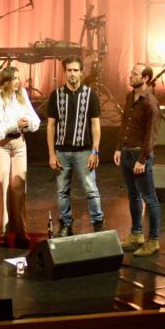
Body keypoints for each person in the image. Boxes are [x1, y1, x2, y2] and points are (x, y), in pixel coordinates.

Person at [47, 56, 104, 236]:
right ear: (65, 72)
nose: (72, 73)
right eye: (69, 70)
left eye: (75, 70)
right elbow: (51, 126)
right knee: (62, 191)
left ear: (81, 72)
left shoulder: (90, 95)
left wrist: (95, 151)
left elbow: (95, 125)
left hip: (84, 151)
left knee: (91, 189)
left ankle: (98, 223)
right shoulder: (56, 95)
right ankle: (65, 222)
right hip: (62, 151)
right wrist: (51, 154)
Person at [0, 65, 40, 247]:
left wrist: (26, 123)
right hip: (1, 144)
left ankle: (20, 231)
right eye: (14, 78)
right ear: (6, 80)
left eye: (18, 78)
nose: (18, 81)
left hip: (19, 143)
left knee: (19, 187)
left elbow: (34, 120)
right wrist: (15, 124)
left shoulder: (21, 94)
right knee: (1, 186)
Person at [114, 63, 161, 257]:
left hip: (139, 156)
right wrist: (118, 148)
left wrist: (142, 159)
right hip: (127, 153)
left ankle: (154, 240)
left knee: (149, 199)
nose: (130, 76)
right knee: (133, 196)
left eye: (134, 74)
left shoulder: (150, 102)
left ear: (145, 78)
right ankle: (136, 234)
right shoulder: (129, 96)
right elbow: (125, 123)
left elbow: (151, 135)